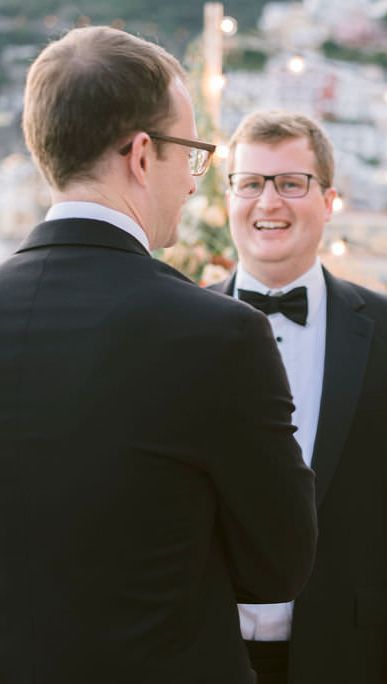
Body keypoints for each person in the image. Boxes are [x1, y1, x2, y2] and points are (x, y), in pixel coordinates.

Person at [0, 27, 317, 684]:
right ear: (142, 156)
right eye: (193, 155)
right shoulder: (218, 333)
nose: (195, 183)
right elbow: (276, 566)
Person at [210, 110, 387, 683]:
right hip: (203, 650)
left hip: (350, 654)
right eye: (250, 183)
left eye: (291, 183)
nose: (268, 202)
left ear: (329, 200)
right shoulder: (175, 330)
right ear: (228, 198)